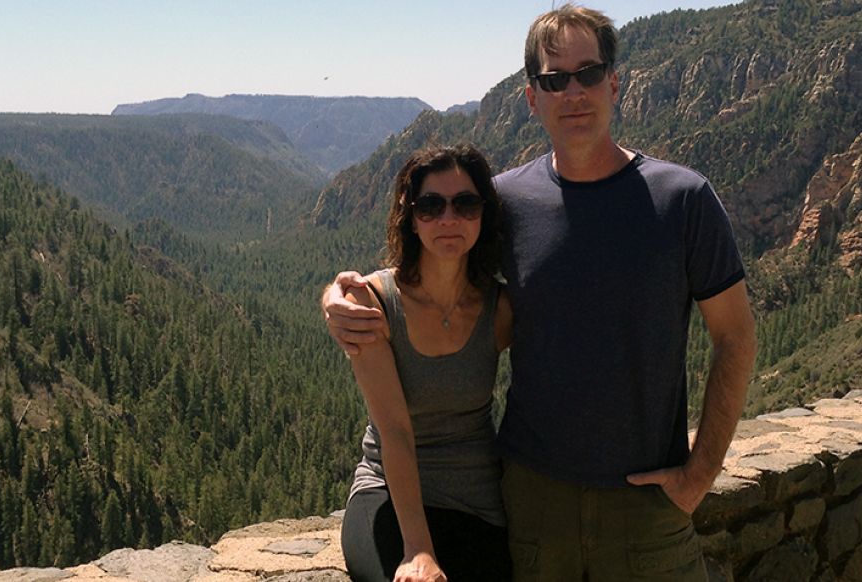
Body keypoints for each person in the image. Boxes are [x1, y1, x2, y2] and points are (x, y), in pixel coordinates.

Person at [324, 5, 757, 580]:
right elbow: (430, 274)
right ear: (532, 97)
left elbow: (736, 336)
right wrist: (338, 296)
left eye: (589, 73)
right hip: (530, 500)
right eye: (554, 79)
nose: (573, 91)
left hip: (645, 499)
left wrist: (699, 474)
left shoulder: (683, 199)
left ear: (615, 83)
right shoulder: (503, 203)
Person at [338, 144, 513, 582]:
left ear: (483, 214)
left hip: (476, 498)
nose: (449, 219)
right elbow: (395, 429)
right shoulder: (373, 304)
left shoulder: (501, 308)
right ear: (411, 218)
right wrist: (418, 549)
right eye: (431, 206)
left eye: (466, 204)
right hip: (385, 493)